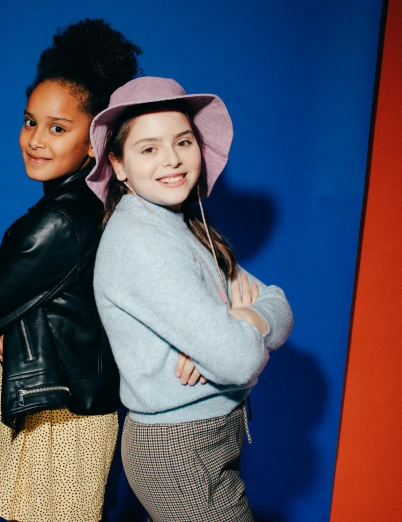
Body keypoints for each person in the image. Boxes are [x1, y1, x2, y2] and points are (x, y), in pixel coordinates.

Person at [0, 19, 142, 522]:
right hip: (65, 402)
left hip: (58, 417)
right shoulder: (93, 205)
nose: (36, 139)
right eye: (30, 121)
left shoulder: (56, 221)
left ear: (95, 141)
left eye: (58, 128)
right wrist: (10, 317)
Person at [89, 76, 294, 521]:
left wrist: (245, 317)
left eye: (183, 141)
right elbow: (238, 360)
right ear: (119, 166)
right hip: (182, 448)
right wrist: (243, 328)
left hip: (205, 436)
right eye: (148, 148)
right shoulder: (141, 241)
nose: (172, 159)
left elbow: (279, 304)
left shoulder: (185, 226)